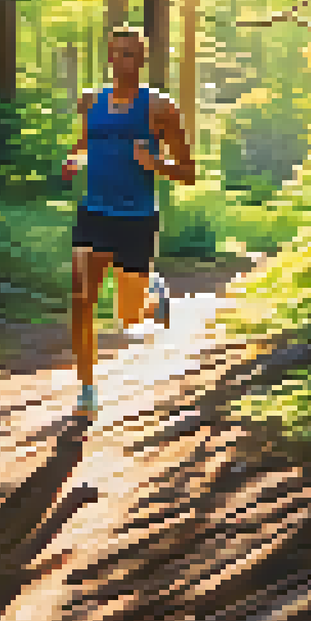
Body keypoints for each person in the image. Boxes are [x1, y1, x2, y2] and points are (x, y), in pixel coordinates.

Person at [62, 28, 197, 417]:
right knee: (82, 299)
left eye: (129, 55)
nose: (120, 63)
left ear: (142, 60)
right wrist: (74, 161)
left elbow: (188, 171)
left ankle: (153, 293)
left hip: (137, 219)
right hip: (94, 213)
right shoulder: (91, 102)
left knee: (129, 318)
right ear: (108, 58)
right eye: (115, 55)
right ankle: (87, 389)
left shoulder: (160, 108)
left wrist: (156, 164)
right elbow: (86, 143)